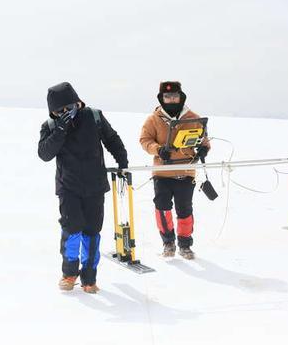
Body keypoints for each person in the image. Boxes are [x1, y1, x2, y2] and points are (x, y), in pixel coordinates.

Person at [38, 82, 128, 293]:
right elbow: (44, 154)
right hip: (68, 187)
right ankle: (69, 274)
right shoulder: (50, 127)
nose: (65, 113)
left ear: (78, 102)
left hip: (95, 185)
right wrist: (60, 130)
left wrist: (122, 161)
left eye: (69, 108)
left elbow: (112, 139)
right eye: (59, 111)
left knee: (92, 232)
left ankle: (89, 278)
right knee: (72, 229)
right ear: (53, 112)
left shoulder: (93, 116)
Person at [140, 81, 210, 260]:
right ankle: (168, 242)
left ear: (181, 96)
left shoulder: (193, 117)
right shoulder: (153, 119)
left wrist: (204, 148)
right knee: (162, 207)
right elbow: (145, 140)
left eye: (174, 96)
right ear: (161, 98)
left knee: (184, 209)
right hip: (162, 173)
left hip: (186, 171)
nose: (171, 99)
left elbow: (204, 140)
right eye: (167, 96)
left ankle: (185, 245)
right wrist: (157, 149)